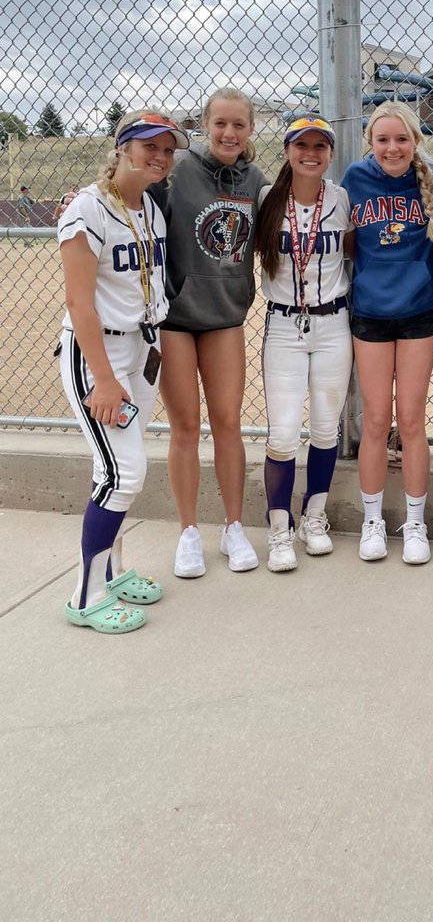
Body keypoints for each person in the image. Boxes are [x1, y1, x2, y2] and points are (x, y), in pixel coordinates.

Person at [57, 113, 189, 632]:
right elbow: (78, 302)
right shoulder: (88, 209)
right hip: (99, 355)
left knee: (109, 471)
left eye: (167, 149)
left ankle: (110, 573)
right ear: (122, 148)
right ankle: (85, 598)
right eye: (148, 146)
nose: (159, 156)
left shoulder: (149, 209)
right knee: (124, 472)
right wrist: (104, 378)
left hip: (140, 349)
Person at [151, 87, 268, 578]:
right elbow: (133, 202)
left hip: (223, 317)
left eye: (238, 125)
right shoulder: (177, 170)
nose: (228, 133)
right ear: (204, 124)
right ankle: (188, 531)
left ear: (250, 130)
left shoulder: (255, 178)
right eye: (220, 123)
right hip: (177, 317)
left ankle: (234, 527)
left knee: (227, 423)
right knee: (185, 427)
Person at [341, 101, 433, 564]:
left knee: (410, 420)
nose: (392, 148)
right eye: (383, 139)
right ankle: (372, 521)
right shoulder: (354, 178)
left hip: (418, 313)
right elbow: (349, 242)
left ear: (416, 142)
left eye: (402, 139)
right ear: (371, 142)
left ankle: (414, 523)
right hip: (369, 311)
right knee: (374, 420)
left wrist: (418, 275)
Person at [255, 115, 353, 571]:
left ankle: (315, 517)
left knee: (327, 426)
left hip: (333, 323)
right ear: (288, 151)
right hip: (283, 326)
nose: (310, 153)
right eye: (301, 145)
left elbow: (354, 251)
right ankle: (279, 526)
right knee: (283, 432)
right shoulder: (267, 199)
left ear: (330, 153)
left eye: (320, 146)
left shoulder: (342, 199)